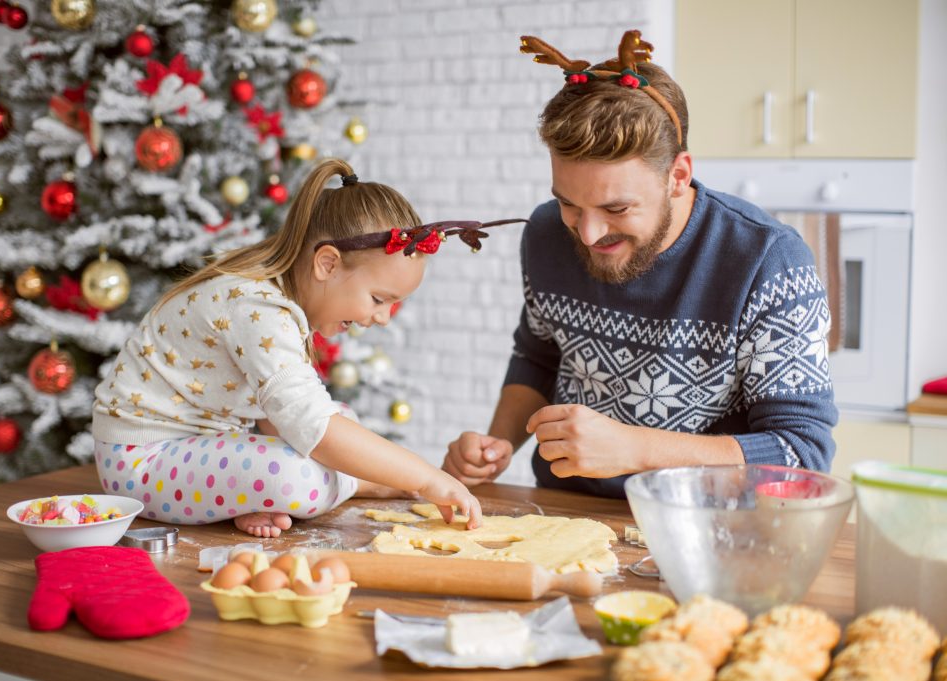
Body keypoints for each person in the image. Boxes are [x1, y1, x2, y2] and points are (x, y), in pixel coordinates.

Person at [442, 31, 837, 498]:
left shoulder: (767, 261)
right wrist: (498, 444)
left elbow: (801, 455)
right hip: (564, 508)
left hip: (706, 530)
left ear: (678, 176)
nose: (587, 235)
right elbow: (539, 356)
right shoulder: (548, 233)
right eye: (569, 204)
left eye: (616, 209)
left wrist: (636, 448)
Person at [92, 158, 516, 536]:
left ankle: (244, 499)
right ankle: (369, 483)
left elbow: (284, 420)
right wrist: (423, 479)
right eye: (379, 299)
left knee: (340, 422)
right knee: (299, 475)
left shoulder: (275, 302)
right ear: (327, 263)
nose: (382, 318)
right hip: (142, 463)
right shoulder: (257, 307)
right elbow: (310, 427)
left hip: (195, 448)